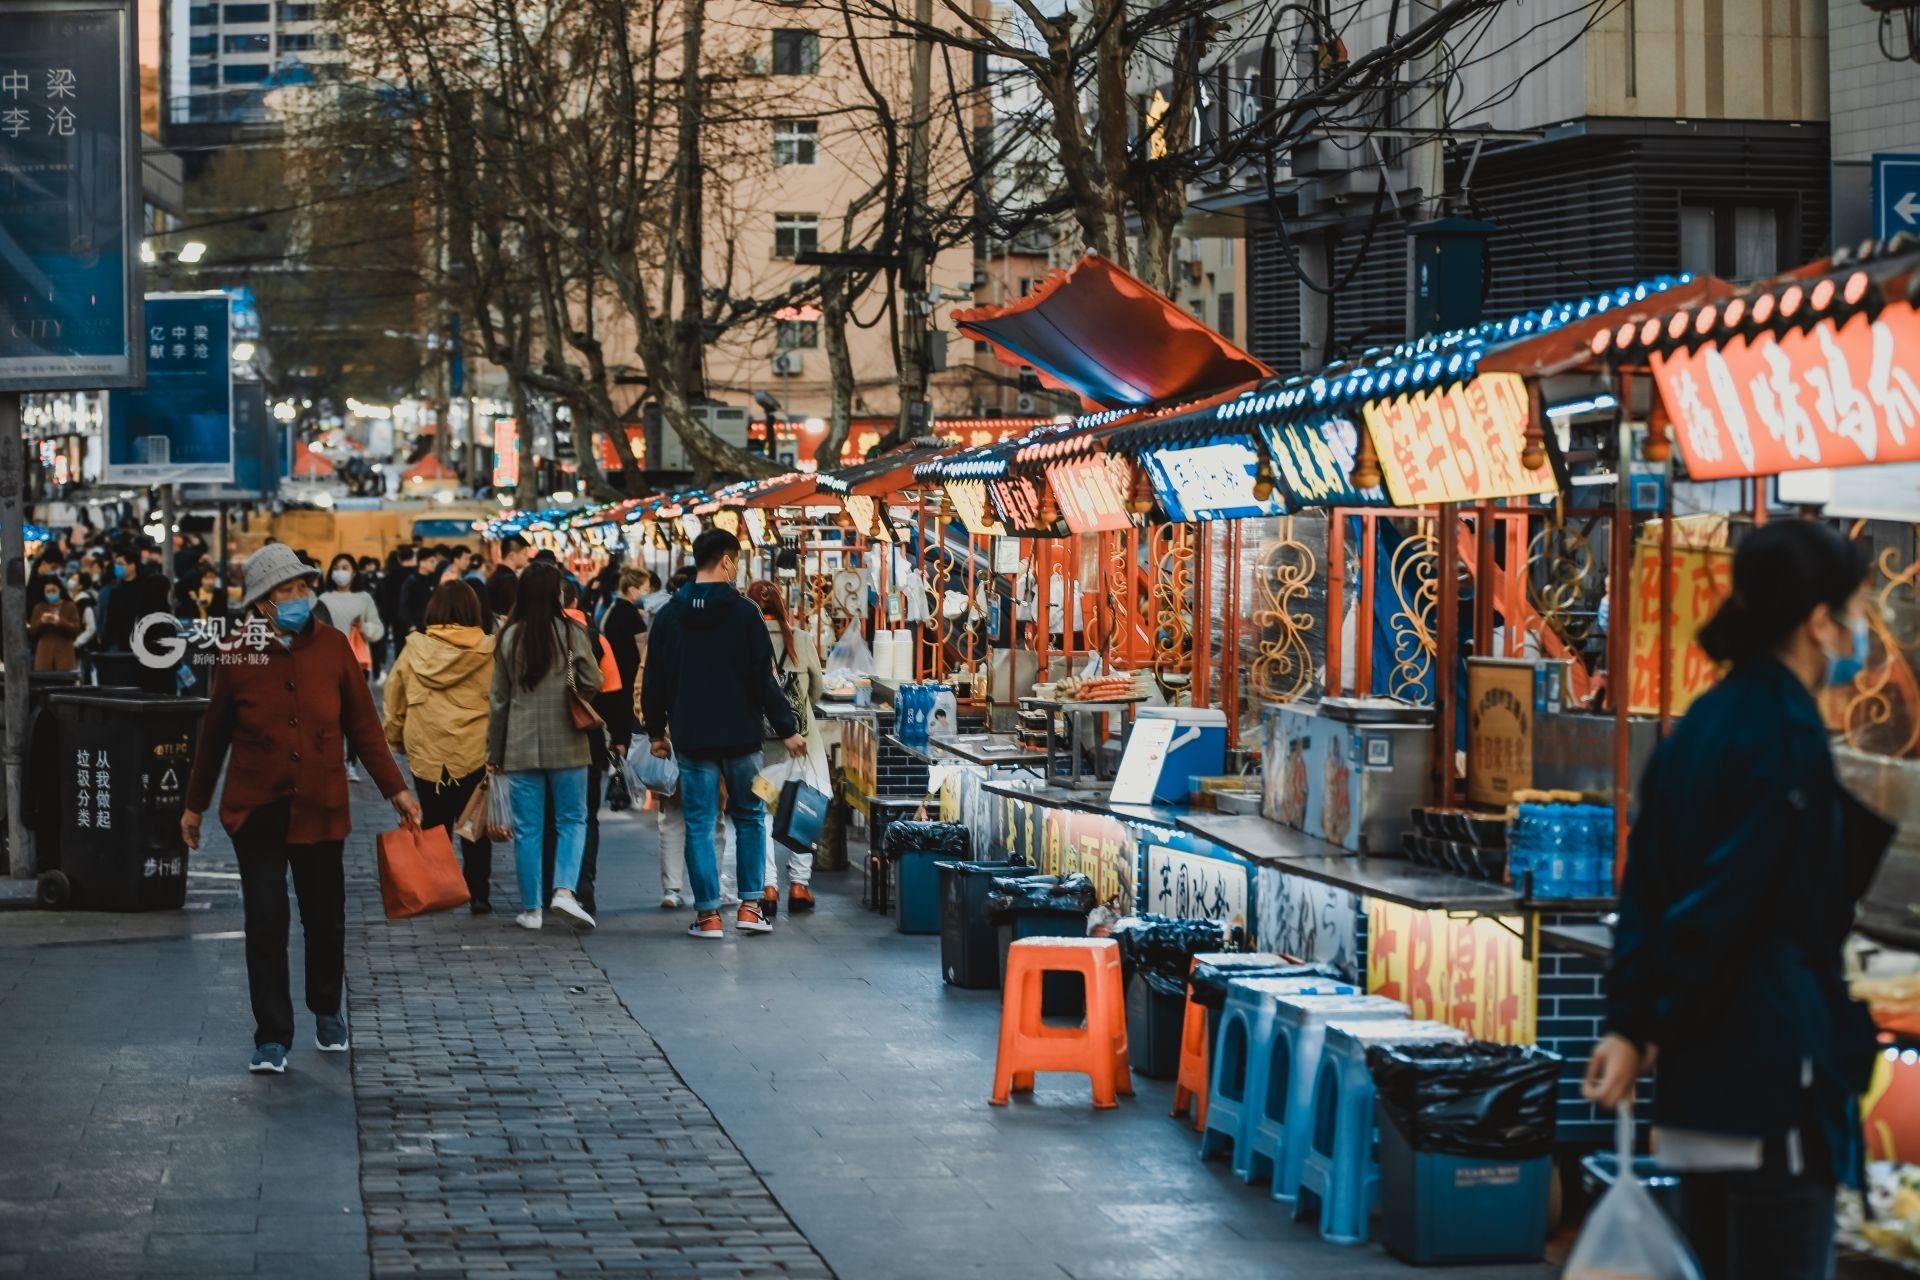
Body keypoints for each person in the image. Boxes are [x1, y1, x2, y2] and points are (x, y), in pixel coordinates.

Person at [1583, 520, 1893, 1280]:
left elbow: (1648, 888)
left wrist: (1635, 1020)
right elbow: (1732, 904)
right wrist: (1645, 1019)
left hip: (1701, 1092)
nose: (1860, 631)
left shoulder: (1705, 725)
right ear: (1818, 622)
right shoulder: (1784, 734)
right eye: (1853, 610)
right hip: (1770, 1086)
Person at [181, 544, 421, 1075]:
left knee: (325, 918)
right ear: (262, 603)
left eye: (300, 588)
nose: (298, 597)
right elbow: (214, 738)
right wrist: (194, 807)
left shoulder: (333, 648)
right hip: (257, 808)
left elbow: (364, 727)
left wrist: (397, 790)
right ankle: (272, 1035)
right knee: (266, 920)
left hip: (320, 806)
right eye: (285, 591)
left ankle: (327, 1007)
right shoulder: (237, 654)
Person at [641, 529, 804, 940]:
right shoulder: (744, 613)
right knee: (749, 819)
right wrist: (788, 729)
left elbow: (655, 679)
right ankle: (750, 909)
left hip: (692, 736)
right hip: (741, 737)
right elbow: (762, 679)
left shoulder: (669, 616)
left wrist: (656, 732)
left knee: (699, 823)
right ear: (728, 562)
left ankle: (708, 915)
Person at [486, 561, 603, 931]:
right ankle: (564, 891)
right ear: (557, 593)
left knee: (528, 829)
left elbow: (499, 700)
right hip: (567, 740)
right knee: (572, 818)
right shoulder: (571, 631)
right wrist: (575, 695)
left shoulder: (509, 636)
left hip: (520, 744)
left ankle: (531, 909)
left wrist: (494, 753)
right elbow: (592, 678)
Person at [384, 580, 497, 913]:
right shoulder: (489, 649)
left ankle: (439, 887)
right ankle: (478, 893)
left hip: (427, 747)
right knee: (475, 824)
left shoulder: (414, 648)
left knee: (435, 821)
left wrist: (394, 736)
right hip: (475, 748)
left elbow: (395, 696)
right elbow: (502, 698)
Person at [539, 578, 623, 916]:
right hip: (587, 739)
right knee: (584, 817)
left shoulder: (532, 635)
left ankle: (548, 889)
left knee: (547, 820)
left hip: (541, 739)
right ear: (577, 599)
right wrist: (619, 741)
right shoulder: (595, 638)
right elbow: (613, 693)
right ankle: (583, 886)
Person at [744, 580, 825, 915]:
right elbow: (817, 690)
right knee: (804, 806)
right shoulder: (802, 640)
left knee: (759, 814)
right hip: (801, 743)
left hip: (759, 744)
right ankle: (799, 885)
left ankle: (768, 886)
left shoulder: (744, 640)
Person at [28, 579, 83, 672]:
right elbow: (32, 632)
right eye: (48, 591)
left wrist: (60, 622)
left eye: (53, 591)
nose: (50, 594)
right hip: (44, 653)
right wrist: (41, 622)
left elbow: (76, 629)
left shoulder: (70, 606)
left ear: (60, 590)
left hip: (65, 653)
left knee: (64, 683)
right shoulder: (39, 607)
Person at [488, 534, 532, 619]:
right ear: (512, 555)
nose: (527, 558)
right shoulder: (510, 580)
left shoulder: (496, 575)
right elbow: (513, 612)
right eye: (524, 554)